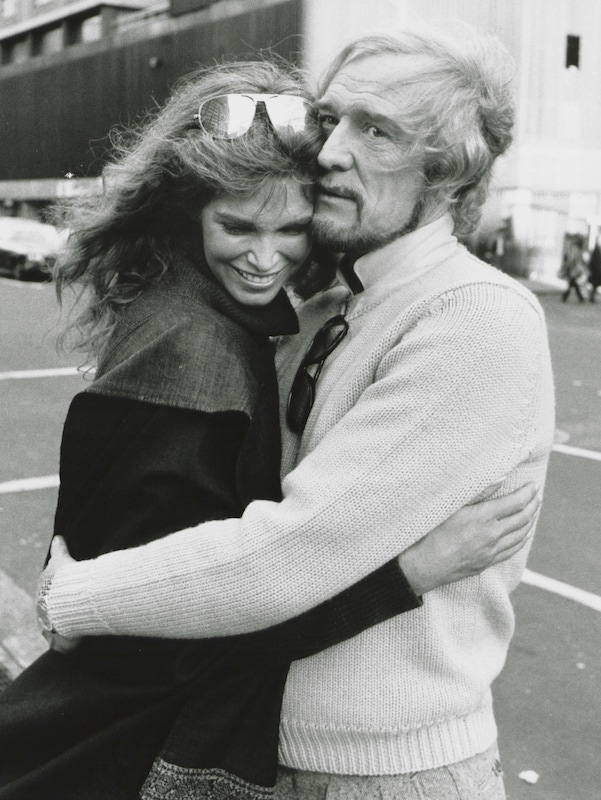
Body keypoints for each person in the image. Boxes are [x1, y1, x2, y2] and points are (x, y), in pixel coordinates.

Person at [37, 24, 555, 800]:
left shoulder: (473, 317)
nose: (330, 150)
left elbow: (289, 552)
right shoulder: (331, 304)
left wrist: (74, 595)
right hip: (270, 753)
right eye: (331, 117)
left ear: (446, 172)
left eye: (374, 130)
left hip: (385, 772)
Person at [560, 235, 587, 302]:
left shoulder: (574, 249)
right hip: (573, 270)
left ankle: (566, 297)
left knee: (572, 284)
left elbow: (572, 260)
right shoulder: (576, 249)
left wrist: (566, 267)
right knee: (573, 284)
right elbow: (573, 260)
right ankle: (579, 297)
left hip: (573, 269)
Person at [587, 236, 601, 302]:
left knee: (595, 285)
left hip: (597, 271)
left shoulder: (598, 249)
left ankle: (591, 296)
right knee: (595, 284)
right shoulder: (596, 250)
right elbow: (593, 261)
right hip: (596, 271)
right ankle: (591, 297)